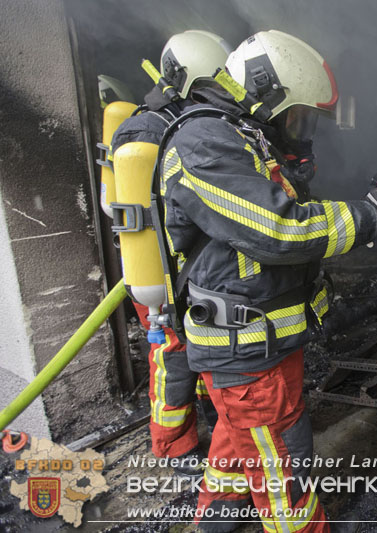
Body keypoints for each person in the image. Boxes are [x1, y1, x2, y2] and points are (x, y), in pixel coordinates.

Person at [157, 30, 377, 532]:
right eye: (296, 117)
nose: (301, 131)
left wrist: (293, 163)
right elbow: (279, 230)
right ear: (264, 97)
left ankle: (214, 526)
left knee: (238, 449)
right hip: (247, 355)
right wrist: (372, 215)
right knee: (285, 479)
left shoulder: (241, 137)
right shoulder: (203, 142)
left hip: (262, 344)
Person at [110, 29, 232, 476]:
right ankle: (172, 445)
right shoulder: (151, 128)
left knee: (190, 351)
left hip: (181, 266)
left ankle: (204, 421)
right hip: (160, 271)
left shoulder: (178, 122)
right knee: (172, 357)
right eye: (212, 85)